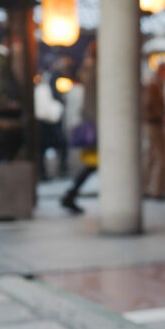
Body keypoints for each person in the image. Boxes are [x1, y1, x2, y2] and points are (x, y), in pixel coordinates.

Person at [61, 44, 97, 214]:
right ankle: (70, 194)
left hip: (93, 121)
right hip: (97, 124)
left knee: (92, 165)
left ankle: (71, 194)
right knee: (92, 164)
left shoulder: (89, 70)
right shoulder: (96, 70)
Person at [36, 57, 70, 180]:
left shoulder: (42, 78)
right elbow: (57, 94)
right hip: (51, 119)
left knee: (42, 147)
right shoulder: (53, 78)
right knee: (62, 144)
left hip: (43, 119)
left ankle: (43, 172)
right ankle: (61, 169)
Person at [142, 62, 165, 199]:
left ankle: (148, 187)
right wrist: (161, 114)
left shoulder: (156, 84)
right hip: (154, 124)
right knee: (160, 157)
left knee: (152, 156)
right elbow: (149, 105)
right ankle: (157, 190)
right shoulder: (154, 85)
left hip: (152, 124)